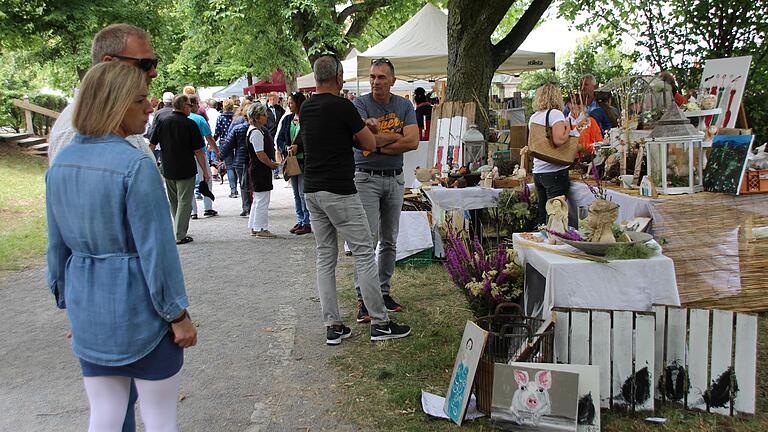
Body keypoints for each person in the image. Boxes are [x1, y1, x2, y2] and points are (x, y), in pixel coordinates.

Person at [46, 61, 197, 432]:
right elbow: (156, 251)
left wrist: (70, 304)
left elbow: (57, 248)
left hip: (90, 309)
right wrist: (177, 314)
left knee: (105, 414)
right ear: (114, 104)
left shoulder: (61, 162)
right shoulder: (134, 165)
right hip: (140, 308)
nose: (149, 107)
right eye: (140, 100)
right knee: (160, 417)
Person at [302, 55, 412, 345]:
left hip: (312, 191)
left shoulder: (307, 107)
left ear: (315, 78)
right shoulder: (343, 106)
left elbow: (335, 138)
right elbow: (368, 144)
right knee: (365, 252)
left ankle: (333, 325)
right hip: (339, 190)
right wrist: (379, 133)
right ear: (339, 77)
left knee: (326, 257)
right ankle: (380, 322)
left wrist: (362, 131)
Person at [352, 58, 419, 323]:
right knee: (367, 241)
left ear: (393, 80)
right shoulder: (360, 104)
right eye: (372, 77)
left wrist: (377, 143)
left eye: (381, 77)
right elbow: (360, 141)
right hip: (366, 178)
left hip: (395, 178)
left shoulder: (404, 105)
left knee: (390, 239)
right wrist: (394, 137)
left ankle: (383, 291)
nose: (376, 82)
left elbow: (413, 141)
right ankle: (363, 299)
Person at [150, 94, 210, 244]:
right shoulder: (190, 124)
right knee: (184, 201)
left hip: (167, 167)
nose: (191, 108)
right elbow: (198, 151)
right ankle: (179, 233)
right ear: (184, 106)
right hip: (185, 168)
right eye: (189, 105)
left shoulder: (162, 121)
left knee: (174, 200)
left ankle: (178, 229)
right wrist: (205, 171)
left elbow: (151, 145)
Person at [530, 83, 572, 226]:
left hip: (538, 170)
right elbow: (559, 139)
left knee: (543, 211)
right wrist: (569, 129)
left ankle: (542, 241)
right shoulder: (555, 114)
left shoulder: (534, 117)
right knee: (556, 214)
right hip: (554, 170)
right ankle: (555, 241)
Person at [277, 92, 311, 235]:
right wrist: (286, 147)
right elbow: (280, 138)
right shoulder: (287, 119)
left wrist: (299, 147)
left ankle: (307, 222)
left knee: (303, 192)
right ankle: (300, 219)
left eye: (291, 102)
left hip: (303, 161)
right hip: (291, 160)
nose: (289, 105)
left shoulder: (308, 120)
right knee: (296, 193)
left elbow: (310, 139)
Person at [244, 102, 279, 238]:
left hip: (257, 168)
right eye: (264, 115)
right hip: (260, 169)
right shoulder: (256, 132)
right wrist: (271, 164)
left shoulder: (254, 130)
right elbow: (260, 153)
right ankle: (261, 227)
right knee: (263, 199)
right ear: (257, 117)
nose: (266, 117)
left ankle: (254, 225)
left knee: (259, 199)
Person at [187, 95, 220, 219]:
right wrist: (217, 150)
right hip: (200, 152)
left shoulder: (183, 119)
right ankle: (208, 207)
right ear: (194, 105)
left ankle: (192, 211)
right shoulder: (199, 119)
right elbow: (209, 137)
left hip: (186, 155)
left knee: (189, 182)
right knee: (206, 178)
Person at [219, 101, 253, 217]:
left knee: (243, 183)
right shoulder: (258, 127)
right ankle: (252, 206)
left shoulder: (237, 124)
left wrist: (220, 157)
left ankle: (246, 207)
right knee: (253, 183)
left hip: (240, 158)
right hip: (253, 159)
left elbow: (229, 143)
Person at [215, 99, 237, 197]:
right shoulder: (235, 117)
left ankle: (233, 189)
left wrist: (213, 142)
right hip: (235, 142)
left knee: (229, 166)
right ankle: (238, 186)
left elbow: (217, 132)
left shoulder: (220, 118)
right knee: (237, 165)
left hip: (224, 143)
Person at [265, 91, 286, 179]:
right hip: (270, 133)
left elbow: (284, 117)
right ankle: (275, 171)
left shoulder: (279, 109)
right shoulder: (265, 109)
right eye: (277, 99)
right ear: (272, 99)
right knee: (272, 151)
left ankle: (281, 166)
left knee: (280, 149)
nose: (278, 101)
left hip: (279, 132)